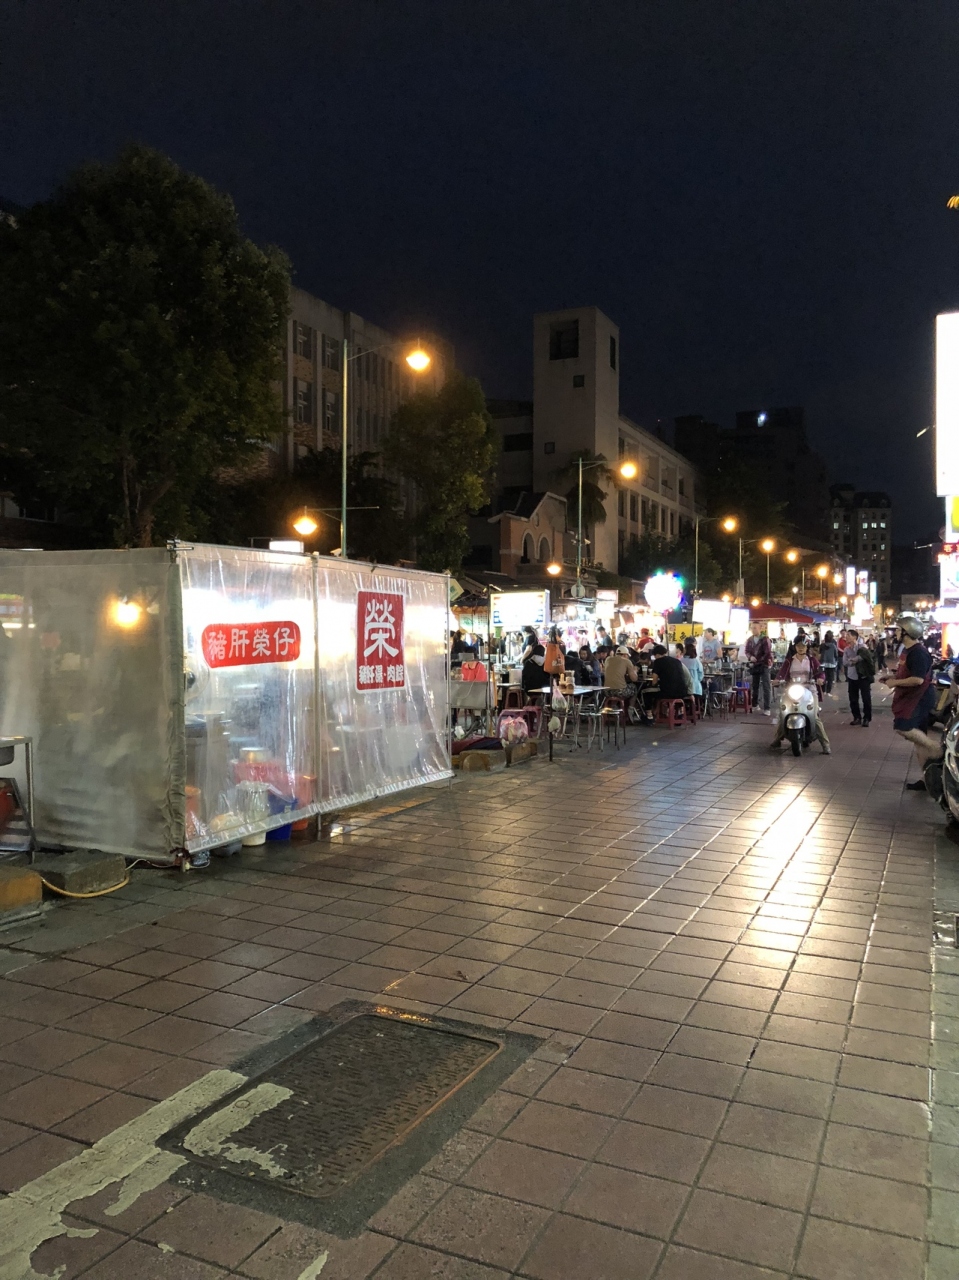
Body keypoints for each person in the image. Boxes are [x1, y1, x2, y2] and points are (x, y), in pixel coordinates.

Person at [879, 615, 938, 790]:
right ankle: (928, 780)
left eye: (899, 630)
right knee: (919, 742)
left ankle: (937, 749)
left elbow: (918, 680)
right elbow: (908, 673)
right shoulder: (908, 651)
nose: (896, 633)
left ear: (907, 632)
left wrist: (895, 682)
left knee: (903, 726)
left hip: (919, 698)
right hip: (912, 698)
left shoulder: (918, 652)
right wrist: (892, 676)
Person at [770, 637, 831, 753]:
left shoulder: (812, 661)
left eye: (803, 646)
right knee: (783, 714)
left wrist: (820, 679)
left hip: (809, 691)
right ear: (795, 647)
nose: (801, 648)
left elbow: (820, 673)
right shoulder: (789, 661)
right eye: (798, 646)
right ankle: (777, 739)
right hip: (792, 690)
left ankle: (825, 744)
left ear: (807, 647)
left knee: (815, 717)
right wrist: (777, 680)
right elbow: (781, 674)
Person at [643, 643, 689, 716]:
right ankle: (676, 712)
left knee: (646, 692)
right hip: (682, 692)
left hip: (668, 693)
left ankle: (649, 715)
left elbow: (654, 681)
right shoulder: (677, 661)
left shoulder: (658, 662)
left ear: (657, 654)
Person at [843, 628, 874, 726]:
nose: (846, 637)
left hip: (863, 676)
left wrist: (853, 660)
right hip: (852, 676)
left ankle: (867, 718)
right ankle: (856, 717)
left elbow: (864, 657)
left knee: (866, 698)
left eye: (848, 635)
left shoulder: (862, 647)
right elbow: (845, 662)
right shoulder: (846, 649)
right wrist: (853, 661)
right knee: (853, 699)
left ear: (854, 637)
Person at [744, 621, 773, 715]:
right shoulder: (750, 640)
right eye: (752, 628)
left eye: (755, 628)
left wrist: (759, 660)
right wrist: (750, 657)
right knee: (754, 685)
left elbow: (767, 652)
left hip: (764, 665)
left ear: (760, 628)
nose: (753, 630)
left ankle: (767, 708)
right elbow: (746, 651)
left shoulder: (765, 639)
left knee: (766, 686)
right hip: (754, 665)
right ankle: (754, 704)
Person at [520, 630, 546, 696]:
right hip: (544, 689)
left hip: (529, 689)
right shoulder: (546, 664)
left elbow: (524, 677)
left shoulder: (528, 663)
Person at [682, 640, 704, 713]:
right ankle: (695, 711)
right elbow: (701, 674)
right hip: (695, 688)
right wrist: (697, 680)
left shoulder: (681, 661)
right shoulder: (696, 661)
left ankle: (685, 711)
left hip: (683, 687)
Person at [819, 630, 839, 695]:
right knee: (830, 679)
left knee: (823, 677)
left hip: (823, 664)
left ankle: (823, 691)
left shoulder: (822, 645)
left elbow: (819, 653)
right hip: (831, 664)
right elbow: (836, 654)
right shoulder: (833, 646)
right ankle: (828, 691)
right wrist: (836, 661)